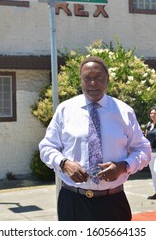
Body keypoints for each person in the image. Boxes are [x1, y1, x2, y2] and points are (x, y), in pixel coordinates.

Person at [39, 55, 151, 221]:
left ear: (107, 80)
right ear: (81, 81)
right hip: (73, 202)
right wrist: (64, 164)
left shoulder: (124, 111)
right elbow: (46, 147)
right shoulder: (65, 110)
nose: (93, 83)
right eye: (87, 78)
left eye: (98, 77)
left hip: (113, 202)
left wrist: (123, 166)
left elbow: (143, 149)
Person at [145, 106, 156, 200]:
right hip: (150, 152)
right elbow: (145, 136)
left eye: (154, 113)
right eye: (151, 113)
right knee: (153, 172)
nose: (152, 115)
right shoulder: (149, 125)